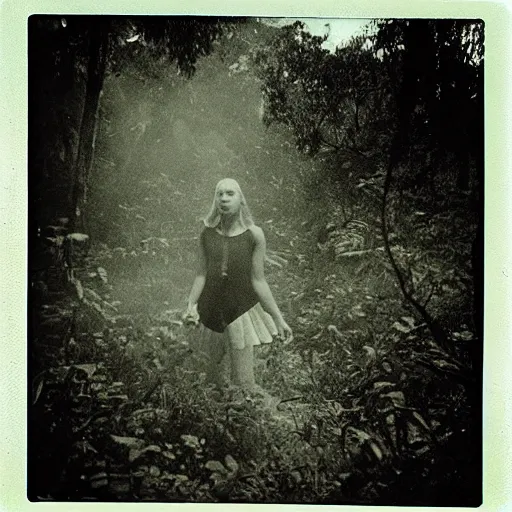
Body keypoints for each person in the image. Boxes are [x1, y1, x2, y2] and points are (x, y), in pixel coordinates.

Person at [183, 178, 293, 391]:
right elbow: (201, 274)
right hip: (210, 311)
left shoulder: (254, 235)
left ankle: (246, 416)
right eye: (220, 194)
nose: (224, 198)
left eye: (230, 194)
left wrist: (279, 320)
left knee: (243, 382)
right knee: (209, 378)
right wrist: (190, 306)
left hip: (239, 311)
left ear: (241, 199)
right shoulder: (206, 234)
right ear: (215, 200)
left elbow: (258, 280)